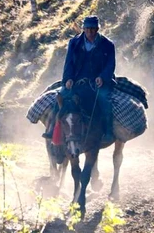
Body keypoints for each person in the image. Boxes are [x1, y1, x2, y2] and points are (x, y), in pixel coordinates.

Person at [43, 15, 116, 143]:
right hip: (77, 81)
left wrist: (103, 77)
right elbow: (69, 63)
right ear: (83, 29)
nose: (90, 32)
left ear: (98, 29)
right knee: (60, 96)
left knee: (104, 98)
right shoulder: (74, 43)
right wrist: (68, 79)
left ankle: (108, 131)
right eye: (87, 29)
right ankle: (52, 129)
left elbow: (110, 64)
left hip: (97, 82)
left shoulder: (107, 44)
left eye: (93, 29)